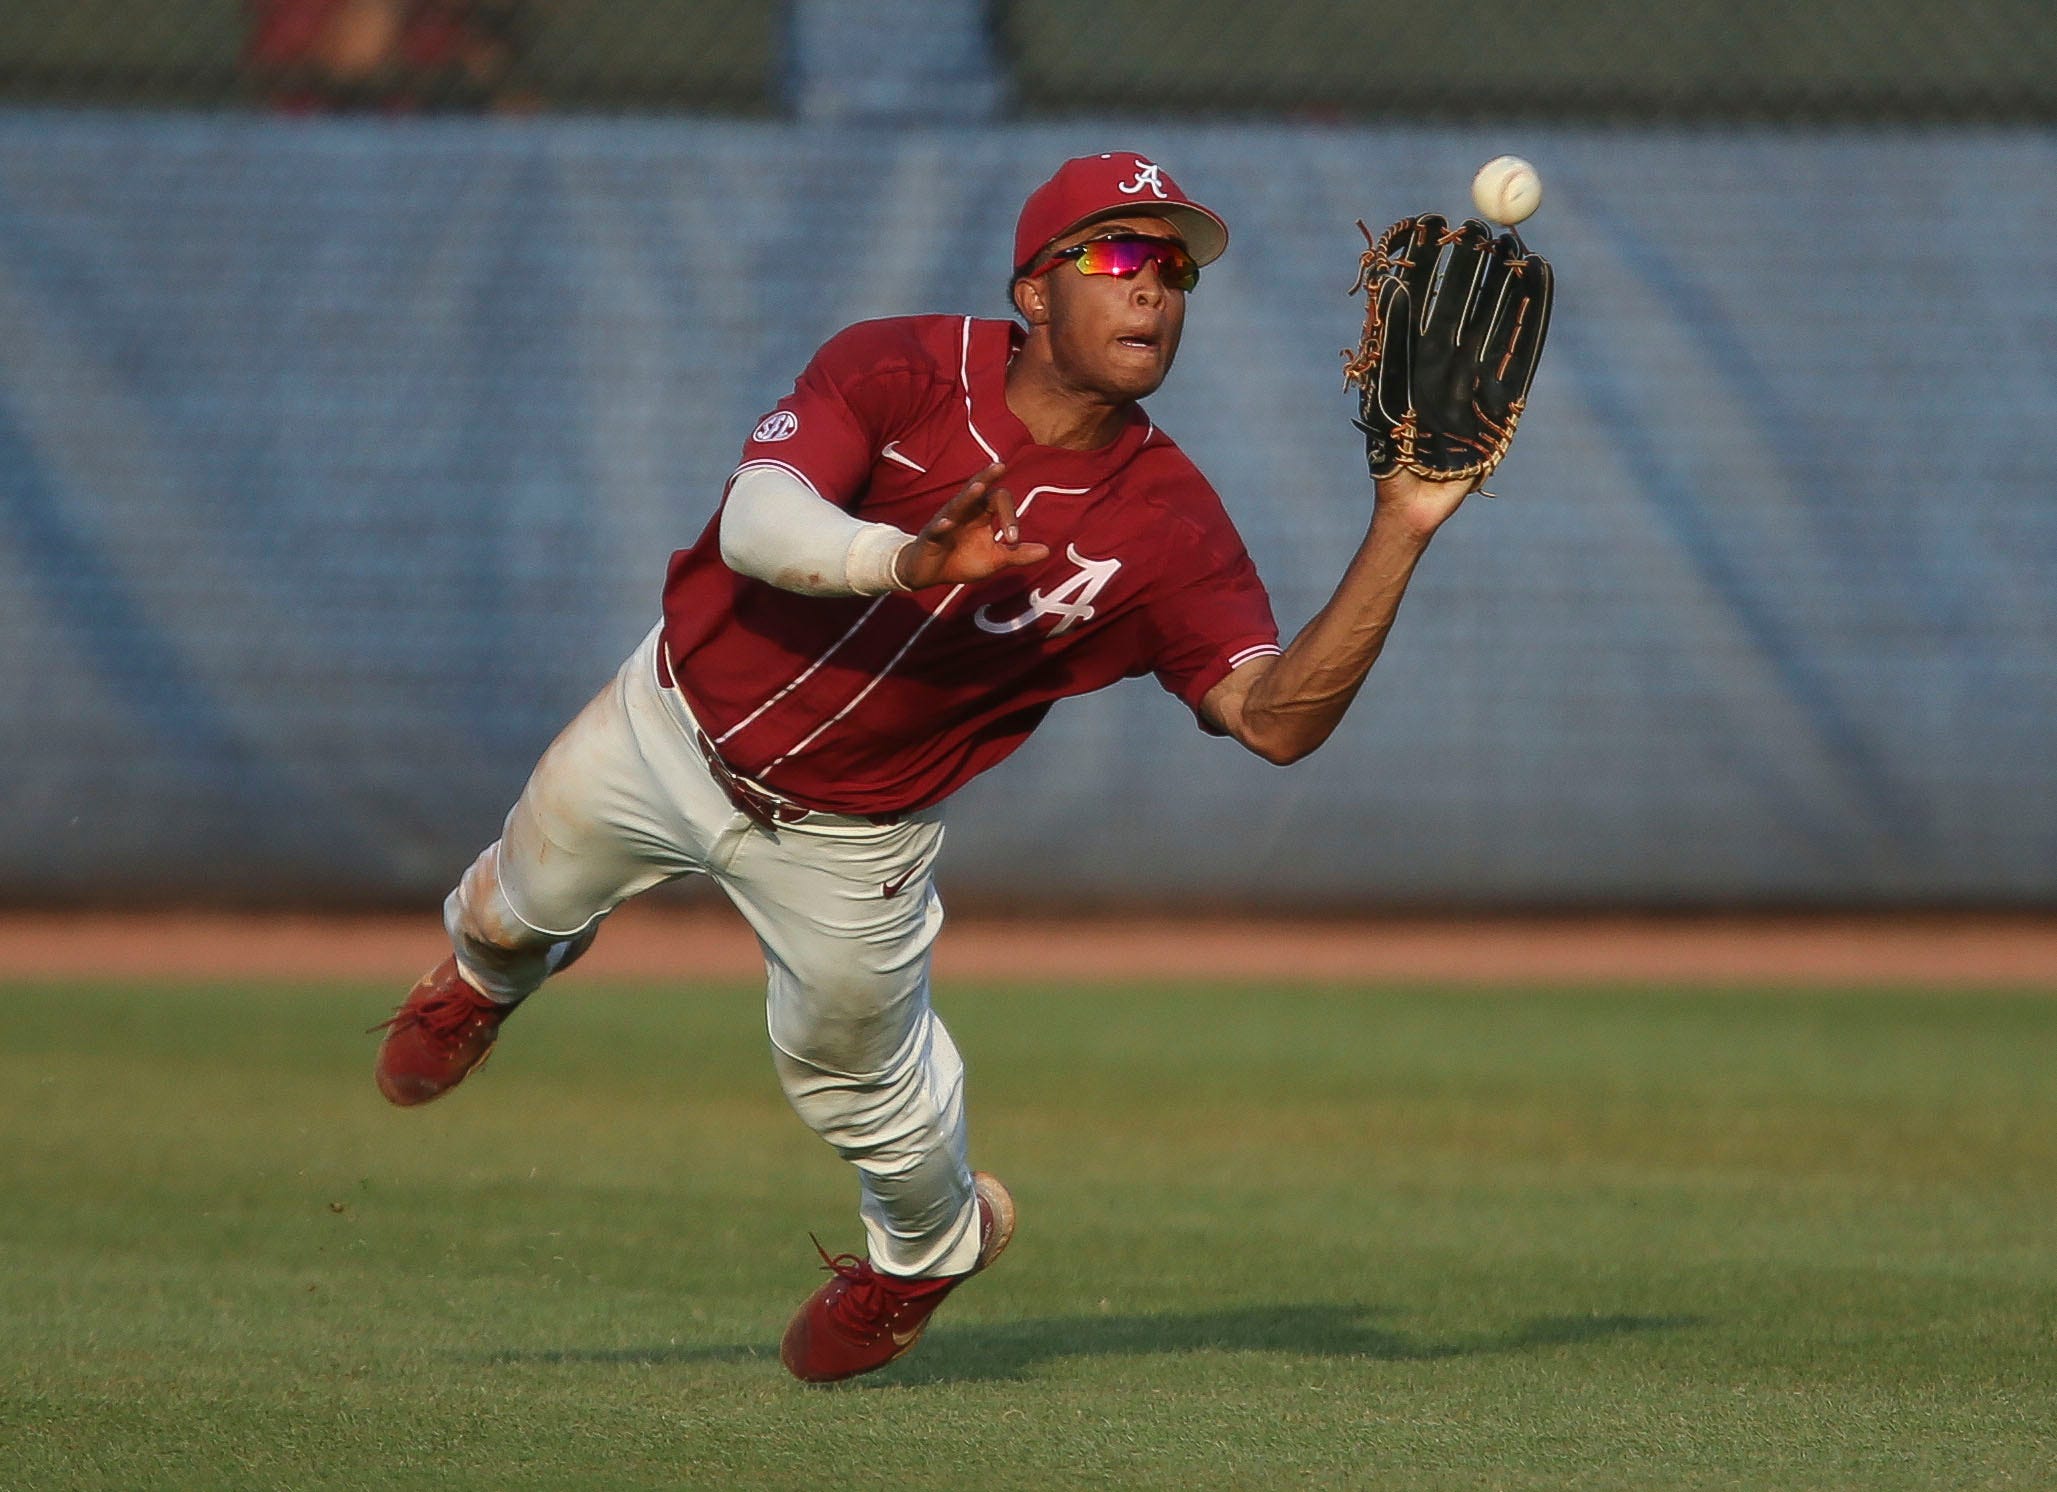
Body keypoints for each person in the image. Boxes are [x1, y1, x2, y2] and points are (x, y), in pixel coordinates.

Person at [373, 151, 1489, 1383]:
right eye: (1116, 257)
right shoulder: (897, 365)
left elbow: (1273, 719)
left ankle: (926, 1254)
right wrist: (909, 562)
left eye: (1171, 268)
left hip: (852, 837)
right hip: (667, 722)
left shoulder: (1167, 523)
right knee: (512, 902)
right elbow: (757, 520)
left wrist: (1398, 529)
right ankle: (479, 982)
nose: (1151, 291)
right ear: (1032, 293)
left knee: (860, 1089)